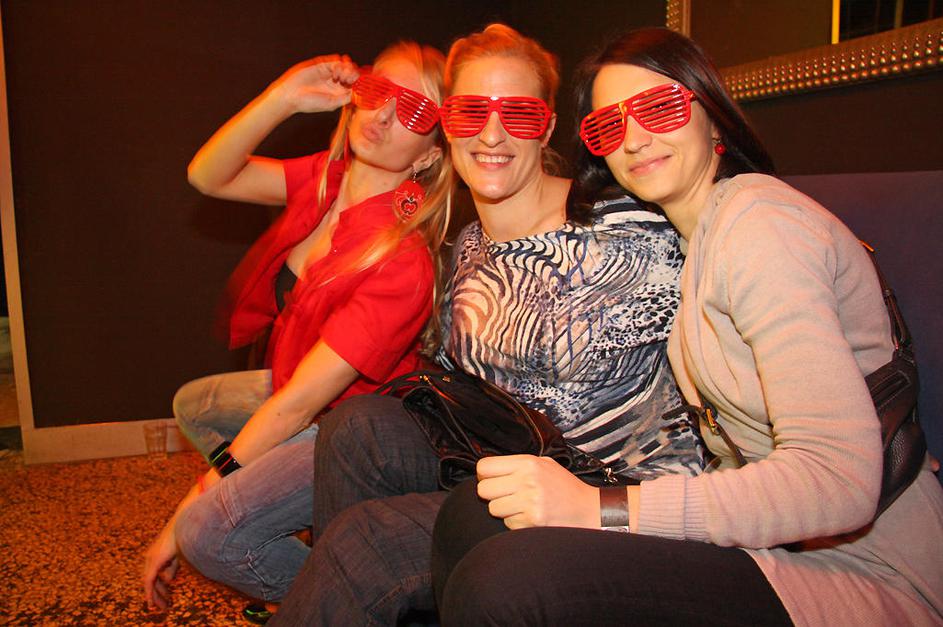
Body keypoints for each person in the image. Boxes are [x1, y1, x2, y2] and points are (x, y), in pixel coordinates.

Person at [431, 27, 943, 625]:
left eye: (659, 107)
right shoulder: (693, 241)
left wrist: (602, 509)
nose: (635, 138)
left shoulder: (760, 227)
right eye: (610, 125)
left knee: (506, 580)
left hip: (865, 567)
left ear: (713, 116)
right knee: (473, 515)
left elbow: (839, 482)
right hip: (776, 538)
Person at [269, 24, 704, 625]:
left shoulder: (623, 229)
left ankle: (355, 586)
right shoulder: (469, 246)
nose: (492, 134)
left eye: (519, 115)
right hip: (505, 464)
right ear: (447, 126)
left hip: (605, 495)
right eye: (471, 112)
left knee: (366, 544)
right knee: (356, 426)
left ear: (547, 129)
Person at [141, 41, 452, 610]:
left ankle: (345, 597)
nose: (383, 114)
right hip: (296, 389)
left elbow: (298, 407)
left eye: (413, 110)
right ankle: (324, 567)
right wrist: (282, 97)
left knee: (204, 533)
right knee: (197, 404)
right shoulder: (326, 178)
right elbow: (207, 176)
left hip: (342, 431)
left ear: (429, 156)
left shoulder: (403, 261)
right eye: (377, 90)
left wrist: (184, 511)